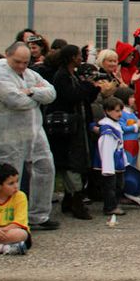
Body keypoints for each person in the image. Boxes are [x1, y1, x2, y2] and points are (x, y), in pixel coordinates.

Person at [0, 42, 58, 231]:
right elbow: (15, 100)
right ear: (7, 55)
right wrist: (36, 98)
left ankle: (39, 214)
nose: (21, 66)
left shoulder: (31, 74)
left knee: (45, 167)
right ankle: (5, 217)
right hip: (8, 134)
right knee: (9, 175)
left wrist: (32, 91)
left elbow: (51, 93)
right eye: (17, 61)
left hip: (35, 130)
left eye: (25, 62)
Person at [46, 45, 98, 220]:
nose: (80, 58)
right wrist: (88, 85)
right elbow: (72, 95)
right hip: (67, 130)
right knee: (71, 163)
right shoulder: (61, 77)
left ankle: (69, 199)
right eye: (77, 55)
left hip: (78, 127)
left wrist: (93, 88)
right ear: (70, 57)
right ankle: (76, 200)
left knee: (77, 161)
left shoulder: (72, 74)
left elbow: (83, 96)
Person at [95, 96, 128, 216]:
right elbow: (106, 150)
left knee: (119, 185)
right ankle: (109, 207)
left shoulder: (115, 125)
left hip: (117, 162)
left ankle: (115, 203)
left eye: (121, 110)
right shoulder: (108, 130)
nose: (120, 114)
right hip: (110, 164)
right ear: (108, 111)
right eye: (116, 111)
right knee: (110, 187)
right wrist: (108, 168)